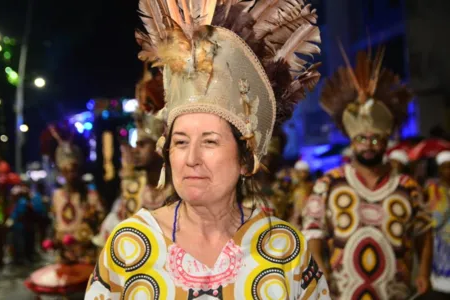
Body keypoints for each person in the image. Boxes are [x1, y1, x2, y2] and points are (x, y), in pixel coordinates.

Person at [86, 0, 329, 299]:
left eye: (210, 141)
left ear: (245, 158)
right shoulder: (128, 245)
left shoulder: (286, 249)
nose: (191, 159)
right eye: (180, 142)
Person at [302, 47, 433, 299]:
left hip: (396, 293)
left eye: (375, 139)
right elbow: (312, 232)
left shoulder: (408, 186)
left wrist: (424, 272)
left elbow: (423, 232)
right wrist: (319, 269)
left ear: (386, 141)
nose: (368, 146)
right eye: (362, 139)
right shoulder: (329, 184)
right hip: (343, 293)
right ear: (352, 141)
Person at [93, 63, 172, 247]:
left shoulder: (179, 190)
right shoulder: (132, 189)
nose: (135, 150)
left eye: (142, 144)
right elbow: (110, 237)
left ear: (160, 146)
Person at [25, 126, 105, 297]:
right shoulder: (56, 196)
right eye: (66, 170)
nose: (70, 174)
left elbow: (100, 226)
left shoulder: (91, 196)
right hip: (63, 257)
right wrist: (53, 240)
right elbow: (56, 223)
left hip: (87, 257)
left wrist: (82, 237)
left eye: (74, 169)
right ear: (60, 171)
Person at [423, 151, 450, 299]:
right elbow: (435, 220)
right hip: (441, 247)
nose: (449, 171)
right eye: (446, 167)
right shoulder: (434, 190)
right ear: (440, 170)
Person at [289, 160, 314, 227]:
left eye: (304, 172)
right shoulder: (292, 186)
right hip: (295, 216)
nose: (302, 174)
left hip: (306, 215)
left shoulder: (310, 186)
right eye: (300, 172)